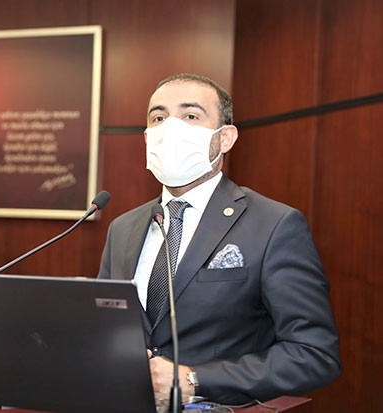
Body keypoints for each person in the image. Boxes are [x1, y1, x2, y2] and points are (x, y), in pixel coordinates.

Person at [97, 73, 341, 405]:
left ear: (225, 138)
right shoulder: (123, 227)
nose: (170, 129)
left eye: (190, 116)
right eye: (159, 118)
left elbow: (315, 355)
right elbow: (106, 331)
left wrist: (194, 379)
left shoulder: (274, 225)